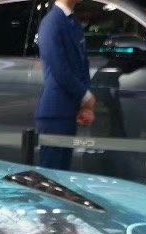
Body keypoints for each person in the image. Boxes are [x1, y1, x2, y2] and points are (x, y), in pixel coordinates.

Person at [35, 0, 96, 170]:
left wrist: (85, 103)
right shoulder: (51, 22)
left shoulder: (72, 22)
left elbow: (82, 64)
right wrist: (86, 96)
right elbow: (60, 70)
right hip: (55, 112)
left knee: (61, 174)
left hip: (67, 112)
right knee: (52, 176)